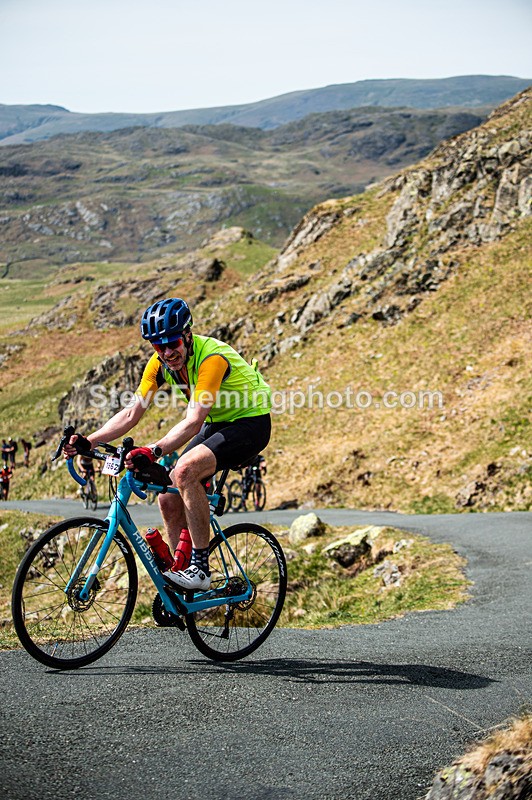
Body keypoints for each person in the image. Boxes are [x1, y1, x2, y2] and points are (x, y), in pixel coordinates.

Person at [65, 297, 271, 591]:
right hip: (219, 422)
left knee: (185, 470)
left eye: (172, 343)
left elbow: (193, 421)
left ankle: (200, 570)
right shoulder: (159, 363)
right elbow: (131, 413)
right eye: (158, 346)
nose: (167, 352)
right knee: (168, 494)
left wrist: (153, 450)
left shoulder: (211, 358)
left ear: (187, 334)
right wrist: (89, 440)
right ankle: (180, 576)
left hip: (250, 423)